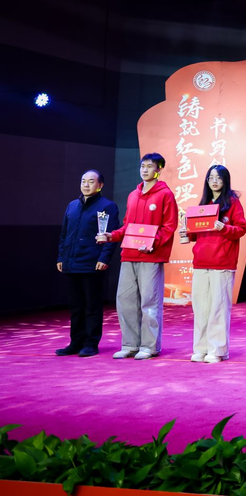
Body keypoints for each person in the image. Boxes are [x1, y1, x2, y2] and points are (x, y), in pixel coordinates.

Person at [98, 153, 178, 360]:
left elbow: (170, 226)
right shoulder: (133, 195)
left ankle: (149, 346)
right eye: (143, 166)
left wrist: (153, 243)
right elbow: (127, 226)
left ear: (159, 170)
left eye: (150, 166)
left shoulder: (165, 194)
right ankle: (130, 344)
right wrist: (112, 236)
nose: (145, 170)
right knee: (125, 301)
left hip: (151, 256)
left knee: (149, 302)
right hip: (129, 254)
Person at [187, 165, 246, 364]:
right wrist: (187, 232)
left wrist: (225, 227)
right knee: (201, 308)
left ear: (225, 180)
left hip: (222, 262)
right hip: (201, 262)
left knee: (218, 308)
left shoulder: (232, 202)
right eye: (211, 178)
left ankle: (218, 349)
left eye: (219, 178)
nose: (214, 181)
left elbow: (241, 228)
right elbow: (196, 233)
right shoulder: (204, 204)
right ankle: (201, 348)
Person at [56, 170, 119, 357]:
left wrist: (104, 258)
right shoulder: (72, 206)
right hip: (71, 262)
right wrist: (61, 257)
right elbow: (64, 235)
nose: (86, 184)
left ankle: (91, 343)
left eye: (91, 181)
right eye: (83, 181)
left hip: (92, 262)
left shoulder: (107, 206)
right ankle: (75, 342)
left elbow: (111, 235)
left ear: (100, 185)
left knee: (92, 305)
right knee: (76, 307)